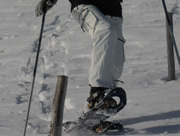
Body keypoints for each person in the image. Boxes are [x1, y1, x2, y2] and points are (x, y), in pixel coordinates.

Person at [35, 0, 126, 113]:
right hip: (85, 4)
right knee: (105, 30)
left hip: (113, 10)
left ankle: (96, 109)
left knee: (116, 60)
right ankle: (97, 93)